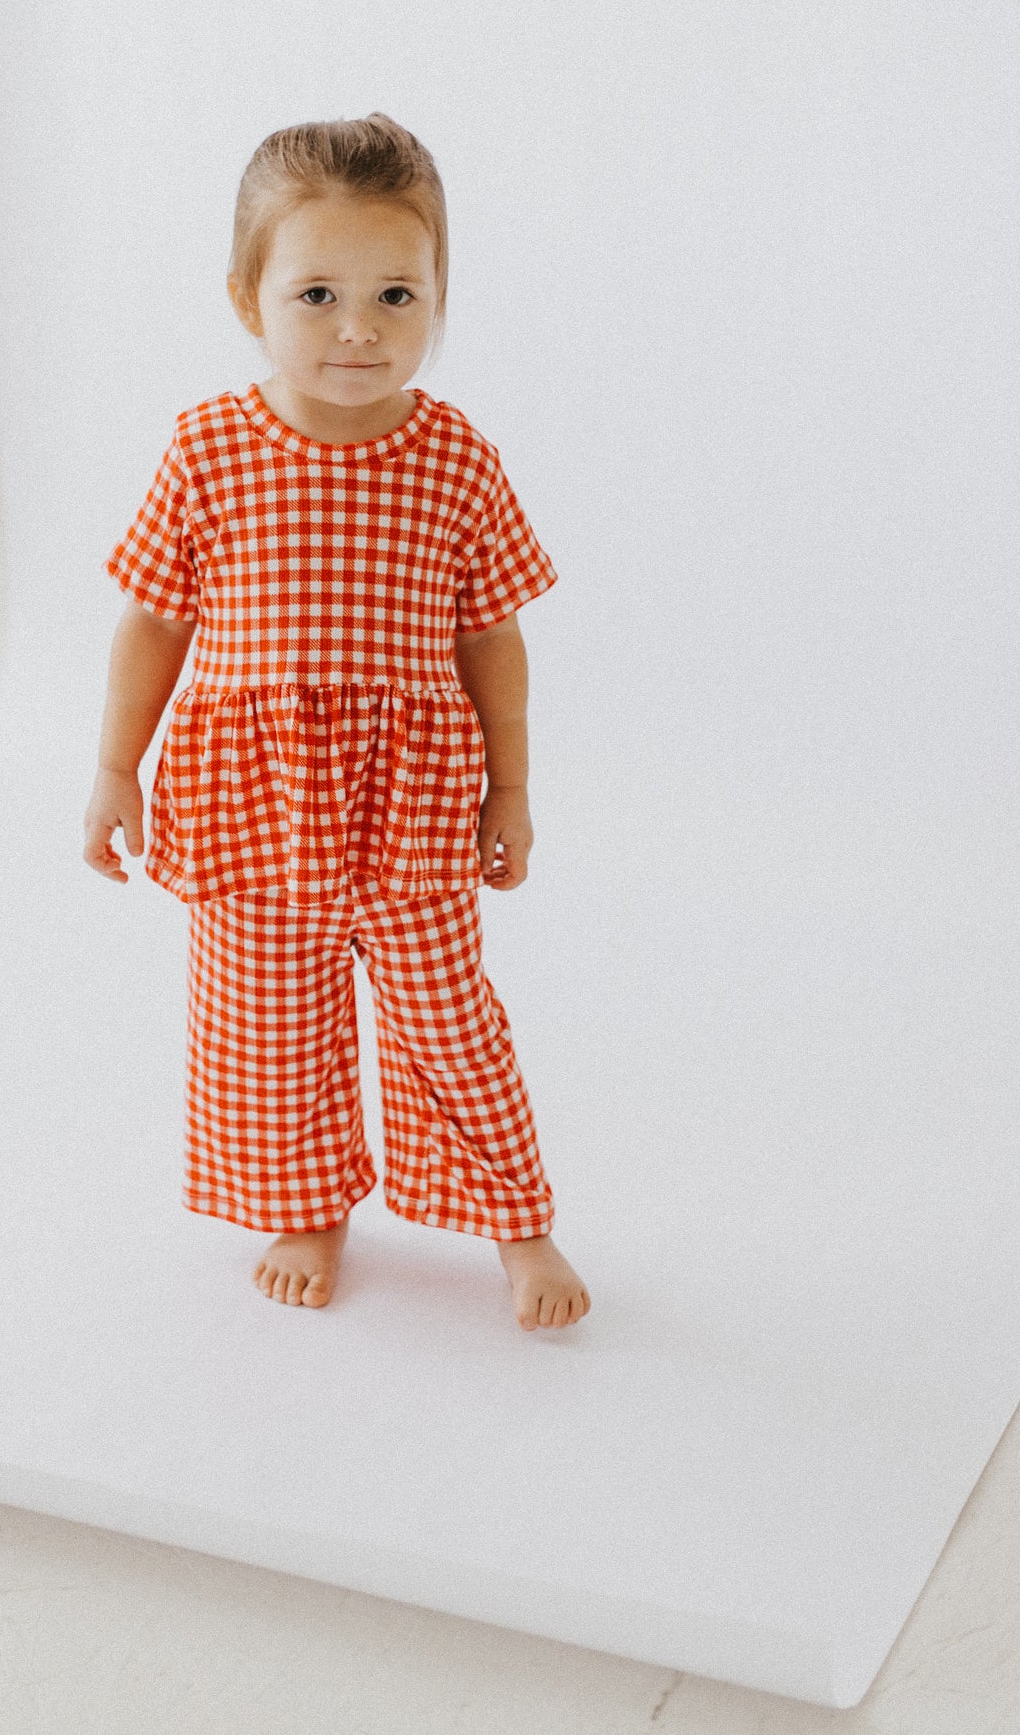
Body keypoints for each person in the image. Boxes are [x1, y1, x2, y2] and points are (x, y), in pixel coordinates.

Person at [83, 112, 590, 1333]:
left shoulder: (454, 458)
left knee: (447, 1016)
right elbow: (152, 622)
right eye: (316, 292)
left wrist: (509, 790)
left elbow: (490, 639)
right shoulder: (209, 449)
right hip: (249, 806)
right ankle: (304, 1203)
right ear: (246, 298)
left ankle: (518, 1222)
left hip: (410, 806)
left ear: (437, 298)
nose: (359, 327)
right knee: (268, 1022)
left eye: (396, 294)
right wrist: (115, 766)